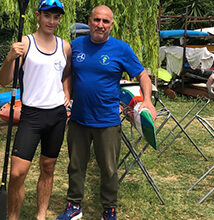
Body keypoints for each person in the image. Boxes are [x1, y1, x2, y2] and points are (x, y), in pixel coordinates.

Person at [56, 5, 156, 220]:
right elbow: (67, 73)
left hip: (107, 121)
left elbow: (143, 76)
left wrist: (147, 101)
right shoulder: (76, 45)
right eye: (97, 20)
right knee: (75, 166)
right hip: (79, 119)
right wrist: (65, 95)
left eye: (105, 21)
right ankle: (74, 205)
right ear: (90, 21)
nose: (100, 25)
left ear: (111, 25)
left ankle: (109, 208)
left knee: (109, 169)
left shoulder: (121, 49)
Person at [0, 0, 72, 219]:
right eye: (47, 15)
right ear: (37, 16)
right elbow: (5, 80)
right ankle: (13, 217)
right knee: (17, 173)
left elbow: (67, 73)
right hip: (31, 115)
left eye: (56, 17)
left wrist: (67, 93)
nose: (52, 21)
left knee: (48, 168)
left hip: (57, 116)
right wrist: (10, 58)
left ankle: (41, 215)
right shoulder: (25, 43)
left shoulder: (64, 46)